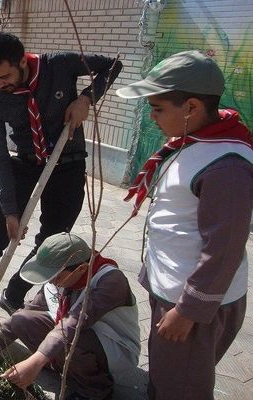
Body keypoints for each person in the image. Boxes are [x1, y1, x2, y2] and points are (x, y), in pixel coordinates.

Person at [0, 32, 123, 341]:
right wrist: (10, 210)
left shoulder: (58, 66)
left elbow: (113, 64)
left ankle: (16, 290)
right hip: (24, 164)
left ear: (22, 60)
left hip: (68, 163)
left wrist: (85, 98)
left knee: (53, 240)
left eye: (5, 76)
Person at [116, 50, 253, 400]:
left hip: (192, 306)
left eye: (158, 107)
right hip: (174, 292)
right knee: (169, 373)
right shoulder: (195, 141)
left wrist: (188, 310)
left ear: (191, 107)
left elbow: (224, 248)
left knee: (182, 387)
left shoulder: (227, 165)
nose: (151, 116)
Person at [0, 232, 140, 400]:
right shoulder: (61, 279)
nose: (52, 281)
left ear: (81, 270)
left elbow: (71, 325)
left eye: (56, 276)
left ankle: (94, 390)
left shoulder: (110, 281)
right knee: (22, 319)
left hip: (113, 348)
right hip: (74, 336)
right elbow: (24, 315)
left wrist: (36, 360)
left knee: (67, 341)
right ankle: (58, 366)